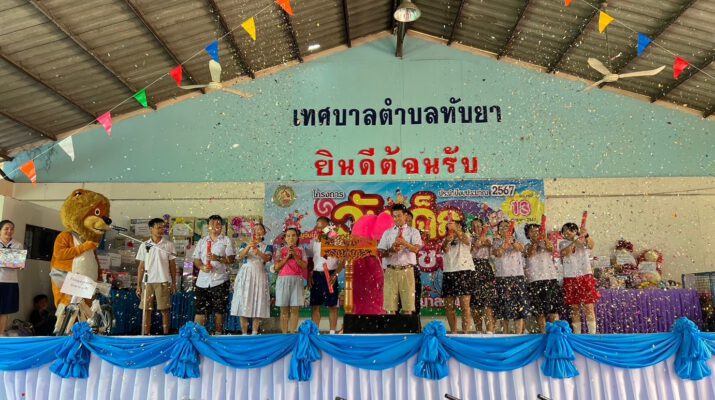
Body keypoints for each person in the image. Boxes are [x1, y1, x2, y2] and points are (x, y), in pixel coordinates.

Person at [193, 215, 236, 334]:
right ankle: (198, 335)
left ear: (222, 226)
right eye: (212, 224)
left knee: (219, 310)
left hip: (220, 280)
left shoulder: (226, 240)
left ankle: (218, 334)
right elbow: (196, 259)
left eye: (218, 224)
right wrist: (202, 267)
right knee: (200, 310)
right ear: (208, 226)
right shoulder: (202, 241)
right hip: (202, 281)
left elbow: (231, 259)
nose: (215, 226)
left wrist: (217, 258)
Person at [378, 204, 423, 315]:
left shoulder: (413, 232)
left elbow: (416, 249)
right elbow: (381, 253)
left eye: (399, 216)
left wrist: (405, 243)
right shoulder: (387, 233)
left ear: (405, 216)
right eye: (394, 216)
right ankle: (391, 325)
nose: (396, 219)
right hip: (390, 271)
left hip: (407, 270)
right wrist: (391, 249)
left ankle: (407, 326)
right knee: (390, 307)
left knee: (408, 306)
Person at [135, 218, 177, 335]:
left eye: (163, 227)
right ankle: (146, 334)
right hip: (147, 282)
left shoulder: (168, 245)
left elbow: (172, 266)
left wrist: (174, 283)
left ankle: (166, 334)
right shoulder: (145, 245)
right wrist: (138, 285)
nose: (161, 230)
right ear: (151, 229)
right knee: (146, 309)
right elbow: (141, 266)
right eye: (158, 227)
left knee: (164, 309)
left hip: (163, 280)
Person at [230, 223, 272, 335]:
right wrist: (249, 246)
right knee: (243, 301)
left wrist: (258, 252)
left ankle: (254, 332)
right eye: (255, 229)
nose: (257, 231)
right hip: (245, 274)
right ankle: (244, 333)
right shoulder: (245, 244)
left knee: (258, 300)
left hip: (259, 274)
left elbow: (267, 259)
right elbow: (239, 256)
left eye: (260, 229)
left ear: (264, 232)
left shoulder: (267, 246)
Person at [559, 222, 599, 334]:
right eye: (565, 230)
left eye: (570, 230)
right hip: (570, 277)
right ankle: (577, 334)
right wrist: (575, 240)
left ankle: (592, 335)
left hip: (585, 276)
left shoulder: (583, 240)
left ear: (576, 231)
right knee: (574, 308)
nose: (567, 232)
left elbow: (591, 245)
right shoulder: (562, 243)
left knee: (588, 306)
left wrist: (585, 235)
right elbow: (567, 253)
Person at [491, 220, 528, 334]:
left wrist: (512, 241)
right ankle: (505, 334)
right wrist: (504, 243)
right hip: (502, 277)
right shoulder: (496, 242)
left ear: (511, 229)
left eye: (506, 227)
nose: (504, 229)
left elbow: (521, 249)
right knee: (504, 306)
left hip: (517, 276)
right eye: (501, 227)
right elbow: (498, 253)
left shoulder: (517, 240)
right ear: (498, 231)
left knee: (519, 307)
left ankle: (518, 334)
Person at [524, 223, 562, 333]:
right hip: (534, 280)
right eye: (532, 231)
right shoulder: (526, 246)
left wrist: (544, 238)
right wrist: (535, 242)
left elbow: (551, 248)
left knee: (553, 310)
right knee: (539, 311)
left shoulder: (546, 243)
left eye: (537, 231)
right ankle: (543, 333)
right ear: (528, 234)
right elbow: (530, 253)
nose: (535, 233)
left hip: (550, 278)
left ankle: (556, 334)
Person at [309, 222, 344, 334]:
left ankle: (332, 332)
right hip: (316, 275)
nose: (320, 229)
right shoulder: (314, 241)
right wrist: (309, 275)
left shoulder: (336, 241)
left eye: (322, 227)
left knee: (332, 305)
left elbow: (343, 261)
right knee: (315, 305)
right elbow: (310, 260)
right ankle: (315, 332)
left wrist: (335, 274)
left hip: (330, 274)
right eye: (318, 227)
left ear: (329, 227)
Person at [441, 221, 475, 334]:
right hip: (449, 272)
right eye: (449, 226)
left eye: (453, 224)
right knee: (449, 307)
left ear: (459, 226)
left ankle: (466, 333)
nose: (450, 226)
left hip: (464, 271)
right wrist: (447, 240)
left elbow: (466, 241)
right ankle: (454, 332)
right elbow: (445, 249)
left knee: (465, 306)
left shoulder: (467, 235)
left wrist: (456, 230)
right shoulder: (446, 238)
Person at [273, 227, 307, 333]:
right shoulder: (280, 251)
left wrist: (295, 256)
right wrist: (287, 256)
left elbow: (304, 266)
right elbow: (276, 267)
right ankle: (284, 334)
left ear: (297, 237)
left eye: (293, 235)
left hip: (297, 280)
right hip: (283, 280)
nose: (291, 238)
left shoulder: (301, 250)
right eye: (288, 236)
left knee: (295, 308)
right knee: (284, 309)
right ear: (285, 238)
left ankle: (292, 333)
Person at [469, 218, 496, 334]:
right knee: (474, 303)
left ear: (482, 227)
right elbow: (471, 249)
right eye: (474, 226)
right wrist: (477, 243)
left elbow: (487, 243)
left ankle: (490, 331)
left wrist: (481, 238)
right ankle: (478, 331)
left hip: (485, 268)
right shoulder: (468, 238)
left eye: (479, 226)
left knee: (487, 302)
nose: (476, 228)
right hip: (472, 268)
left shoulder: (488, 237)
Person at [0, 220, 23, 336]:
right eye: (6, 228)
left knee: (5, 309)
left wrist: (20, 264)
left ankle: (1, 333)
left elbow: (19, 264)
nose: (9, 231)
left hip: (10, 281)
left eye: (12, 229)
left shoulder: (17, 245)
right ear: (0, 230)